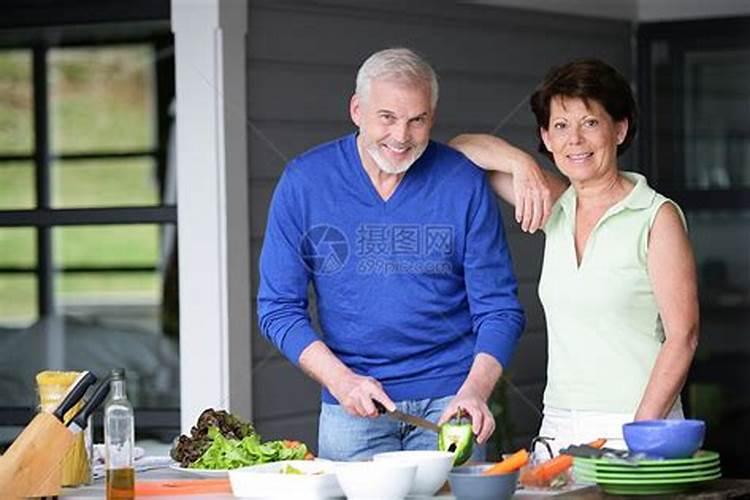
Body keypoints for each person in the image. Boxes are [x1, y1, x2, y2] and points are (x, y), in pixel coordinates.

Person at [257, 48, 525, 460]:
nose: (401, 136)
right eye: (387, 117)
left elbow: (500, 309)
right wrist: (343, 382)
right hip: (353, 409)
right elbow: (278, 309)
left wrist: (474, 393)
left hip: (450, 406)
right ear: (357, 109)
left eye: (416, 120)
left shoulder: (462, 183)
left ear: (432, 117)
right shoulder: (304, 182)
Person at [450, 58, 699, 452]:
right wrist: (521, 163)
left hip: (640, 423)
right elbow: (461, 152)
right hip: (559, 425)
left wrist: (638, 435)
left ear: (620, 129)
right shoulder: (557, 207)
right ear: (546, 137)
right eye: (561, 126)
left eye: (590, 123)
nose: (575, 140)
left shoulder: (656, 217)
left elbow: (683, 337)